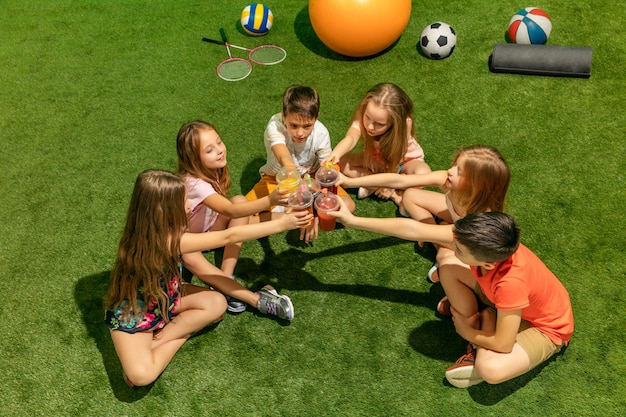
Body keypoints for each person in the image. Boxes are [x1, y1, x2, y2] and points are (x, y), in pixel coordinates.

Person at [104, 170, 312, 387]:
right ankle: (175, 335)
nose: (189, 204)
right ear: (164, 210)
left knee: (217, 302)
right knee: (141, 377)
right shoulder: (165, 240)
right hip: (136, 314)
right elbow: (228, 236)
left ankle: (159, 338)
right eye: (184, 200)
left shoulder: (158, 228)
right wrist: (281, 224)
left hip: (167, 296)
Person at [337, 145, 510, 286]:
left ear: (477, 185)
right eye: (455, 165)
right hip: (455, 225)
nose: (450, 170)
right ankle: (435, 234)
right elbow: (400, 181)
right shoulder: (448, 180)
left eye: (459, 171)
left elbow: (411, 229)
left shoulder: (479, 222)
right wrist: (349, 181)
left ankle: (440, 247)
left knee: (444, 256)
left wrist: (353, 221)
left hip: (465, 239)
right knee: (411, 195)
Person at [442, 212, 574, 388]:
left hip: (546, 328)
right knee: (448, 267)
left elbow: (503, 344)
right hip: (510, 302)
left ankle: (487, 321)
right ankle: (480, 322)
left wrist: (466, 331)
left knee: (490, 369)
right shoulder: (498, 242)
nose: (453, 246)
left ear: (488, 264)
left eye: (459, 249)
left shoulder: (510, 284)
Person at [176, 120, 293, 317]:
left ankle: (225, 276)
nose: (220, 150)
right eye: (210, 150)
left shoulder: (213, 171)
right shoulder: (195, 184)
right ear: (194, 159)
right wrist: (270, 200)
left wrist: (287, 216)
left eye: (219, 142)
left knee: (241, 201)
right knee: (191, 256)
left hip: (207, 230)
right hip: (186, 244)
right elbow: (231, 211)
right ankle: (245, 294)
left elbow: (237, 213)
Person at [245, 85, 356, 242]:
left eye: (307, 126)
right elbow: (281, 151)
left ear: (315, 119)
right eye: (293, 125)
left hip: (311, 179)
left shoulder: (321, 133)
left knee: (348, 206)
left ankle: (297, 213)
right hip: (278, 179)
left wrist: (312, 205)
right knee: (243, 216)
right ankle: (289, 217)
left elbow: (326, 168)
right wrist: (290, 167)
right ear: (284, 116)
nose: (300, 133)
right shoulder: (275, 125)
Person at [323, 83, 431, 205]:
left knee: (423, 174)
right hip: (377, 160)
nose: (370, 126)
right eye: (367, 117)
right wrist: (335, 155)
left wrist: (390, 183)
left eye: (379, 124)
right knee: (342, 163)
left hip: (403, 163)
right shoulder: (363, 114)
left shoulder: (404, 125)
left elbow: (396, 158)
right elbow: (351, 138)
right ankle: (389, 192)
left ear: (394, 123)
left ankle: (379, 187)